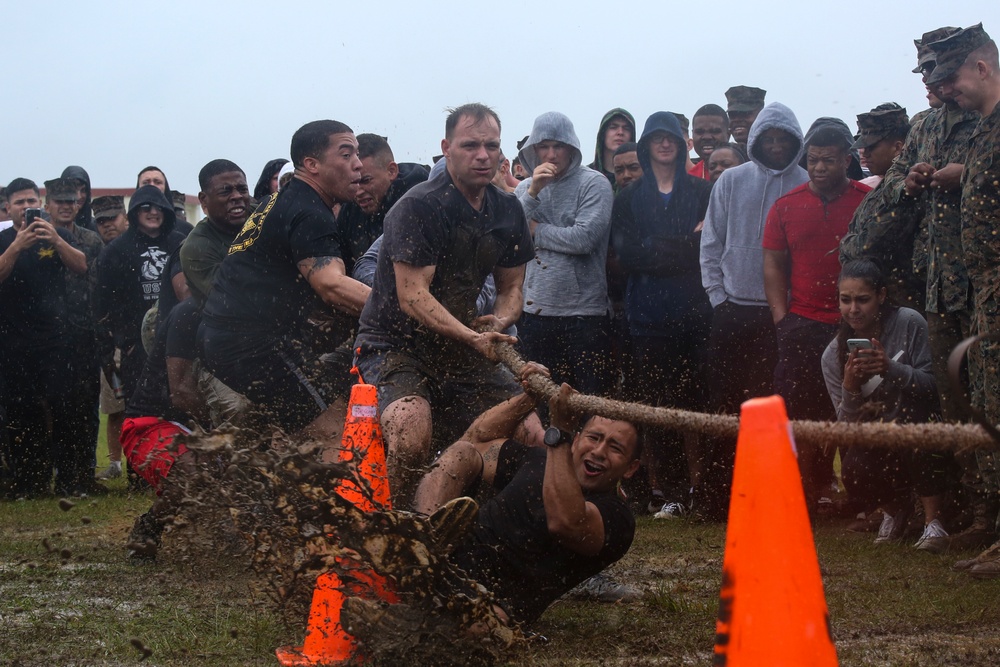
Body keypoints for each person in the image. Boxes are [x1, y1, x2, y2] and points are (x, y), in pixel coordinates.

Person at [354, 103, 536, 501]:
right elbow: (413, 295)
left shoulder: (507, 210)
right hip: (394, 344)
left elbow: (511, 289)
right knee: (412, 430)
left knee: (532, 433)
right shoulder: (419, 206)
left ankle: (498, 530)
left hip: (463, 341)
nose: (483, 155)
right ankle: (395, 526)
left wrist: (500, 324)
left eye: (491, 145)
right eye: (470, 145)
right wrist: (473, 337)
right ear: (447, 148)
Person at [413, 367, 641, 626]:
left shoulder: (618, 517)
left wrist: (559, 431)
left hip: (492, 604)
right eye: (594, 437)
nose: (599, 451)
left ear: (631, 467)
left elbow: (564, 521)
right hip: (443, 561)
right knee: (462, 452)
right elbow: (476, 438)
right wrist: (529, 397)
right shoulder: (536, 460)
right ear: (577, 441)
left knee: (472, 627)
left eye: (615, 447)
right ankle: (421, 538)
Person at [201, 120, 370, 442]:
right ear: (312, 165)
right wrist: (406, 310)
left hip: (222, 337)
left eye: (357, 154)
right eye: (346, 154)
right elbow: (332, 286)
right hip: (251, 344)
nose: (358, 164)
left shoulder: (280, 200)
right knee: (335, 432)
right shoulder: (309, 212)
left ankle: (257, 480)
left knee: (293, 429)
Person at [699, 102, 808, 519]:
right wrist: (717, 298)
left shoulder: (804, 182)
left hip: (781, 315)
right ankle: (715, 497)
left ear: (795, 142)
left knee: (773, 407)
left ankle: (769, 498)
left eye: (784, 140)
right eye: (770, 139)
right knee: (724, 404)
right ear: (756, 140)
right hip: (731, 309)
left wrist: (790, 310)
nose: (777, 146)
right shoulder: (731, 181)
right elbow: (711, 242)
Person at [762, 125, 872, 507]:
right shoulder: (786, 205)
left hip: (855, 321)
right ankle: (805, 489)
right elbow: (773, 264)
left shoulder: (866, 201)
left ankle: (863, 495)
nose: (819, 167)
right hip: (802, 322)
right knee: (800, 407)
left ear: (847, 159)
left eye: (828, 160)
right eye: (812, 160)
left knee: (856, 406)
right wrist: (782, 317)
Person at [611, 111, 712, 516]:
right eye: (657, 138)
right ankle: (671, 491)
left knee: (701, 404)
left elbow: (708, 249)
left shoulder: (703, 192)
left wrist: (658, 246)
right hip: (648, 316)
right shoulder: (630, 198)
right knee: (659, 406)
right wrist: (684, 245)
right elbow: (628, 254)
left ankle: (706, 491)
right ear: (647, 145)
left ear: (681, 143)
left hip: (698, 312)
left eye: (671, 137)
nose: (664, 144)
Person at [927, 23, 1000, 576]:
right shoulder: (982, 131)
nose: (944, 89)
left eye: (950, 77)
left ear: (981, 67)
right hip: (985, 289)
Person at [821, 260, 951, 549]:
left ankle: (934, 522)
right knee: (853, 467)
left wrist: (891, 369)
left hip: (919, 423)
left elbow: (935, 387)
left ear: (881, 296)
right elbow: (847, 429)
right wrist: (850, 388)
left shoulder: (908, 321)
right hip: (876, 436)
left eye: (862, 300)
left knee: (917, 431)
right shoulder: (832, 355)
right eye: (846, 300)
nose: (853, 309)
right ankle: (894, 510)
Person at [515, 111, 614, 396]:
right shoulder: (524, 188)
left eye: (558, 146)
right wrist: (533, 192)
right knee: (539, 400)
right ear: (533, 150)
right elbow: (511, 238)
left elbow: (584, 239)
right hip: (535, 313)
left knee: (588, 401)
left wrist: (538, 231)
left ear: (571, 147)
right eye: (543, 147)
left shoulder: (594, 183)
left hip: (585, 315)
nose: (551, 154)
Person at [0, 178, 87, 497]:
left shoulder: (58, 235)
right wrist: (17, 245)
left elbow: (82, 266)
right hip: (13, 341)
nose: (26, 208)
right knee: (21, 413)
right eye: (20, 202)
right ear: (7, 208)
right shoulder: (4, 240)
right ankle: (29, 482)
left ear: (41, 204)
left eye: (31, 201)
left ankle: (68, 480)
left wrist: (56, 239)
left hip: (56, 340)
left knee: (65, 409)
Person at [122, 297, 207, 559]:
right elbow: (180, 393)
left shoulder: (244, 310)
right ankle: (148, 529)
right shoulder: (188, 312)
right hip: (149, 424)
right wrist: (224, 429)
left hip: (199, 423)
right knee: (192, 472)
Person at [96, 185, 186, 415]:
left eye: (158, 207)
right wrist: (114, 348)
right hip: (135, 349)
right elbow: (102, 305)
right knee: (143, 414)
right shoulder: (115, 251)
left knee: (184, 410)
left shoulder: (182, 242)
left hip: (180, 341)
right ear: (134, 212)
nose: (153, 212)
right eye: (145, 207)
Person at [44, 177, 106, 494]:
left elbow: (88, 273)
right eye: (60, 202)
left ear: (78, 204)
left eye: (71, 202)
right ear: (47, 205)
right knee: (53, 409)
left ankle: (84, 475)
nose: (66, 207)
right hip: (44, 339)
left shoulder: (91, 241)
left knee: (85, 410)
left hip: (82, 337)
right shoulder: (32, 238)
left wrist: (58, 240)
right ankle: (55, 476)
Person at [336, 134, 430, 272]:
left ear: (391, 171)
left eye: (366, 180)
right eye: (353, 182)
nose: (358, 192)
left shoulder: (421, 202)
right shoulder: (349, 210)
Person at [179, 160, 251, 308]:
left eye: (242, 189)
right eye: (225, 191)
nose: (237, 196)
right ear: (204, 201)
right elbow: (234, 296)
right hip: (229, 325)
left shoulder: (263, 215)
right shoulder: (196, 247)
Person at [852, 103, 910, 188]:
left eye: (871, 147)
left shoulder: (912, 185)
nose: (865, 154)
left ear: (897, 148)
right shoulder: (876, 186)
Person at [136, 166, 194, 236]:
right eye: (146, 182)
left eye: (157, 182)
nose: (152, 186)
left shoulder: (185, 230)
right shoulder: (128, 229)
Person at [588, 108, 636, 185]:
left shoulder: (641, 178)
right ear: (603, 134)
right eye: (613, 127)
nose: (620, 132)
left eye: (626, 128)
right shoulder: (586, 176)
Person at [689, 105, 730, 181]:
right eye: (700, 132)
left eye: (714, 131)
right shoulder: (688, 180)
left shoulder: (744, 170)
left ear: (728, 135)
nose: (706, 137)